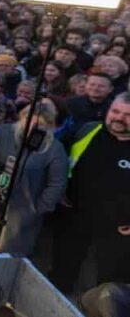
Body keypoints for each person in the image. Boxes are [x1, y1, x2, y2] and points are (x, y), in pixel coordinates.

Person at [50, 92, 130, 292]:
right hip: (75, 215)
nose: (119, 118)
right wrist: (59, 189)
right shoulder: (87, 131)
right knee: (62, 270)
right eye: (116, 111)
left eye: (128, 115)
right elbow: (61, 160)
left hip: (118, 229)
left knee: (111, 284)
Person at [0, 99, 67, 255]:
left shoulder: (55, 149)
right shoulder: (4, 132)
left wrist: (38, 208)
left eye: (39, 125)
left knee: (8, 251)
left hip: (22, 212)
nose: (32, 128)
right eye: (28, 121)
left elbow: (57, 183)